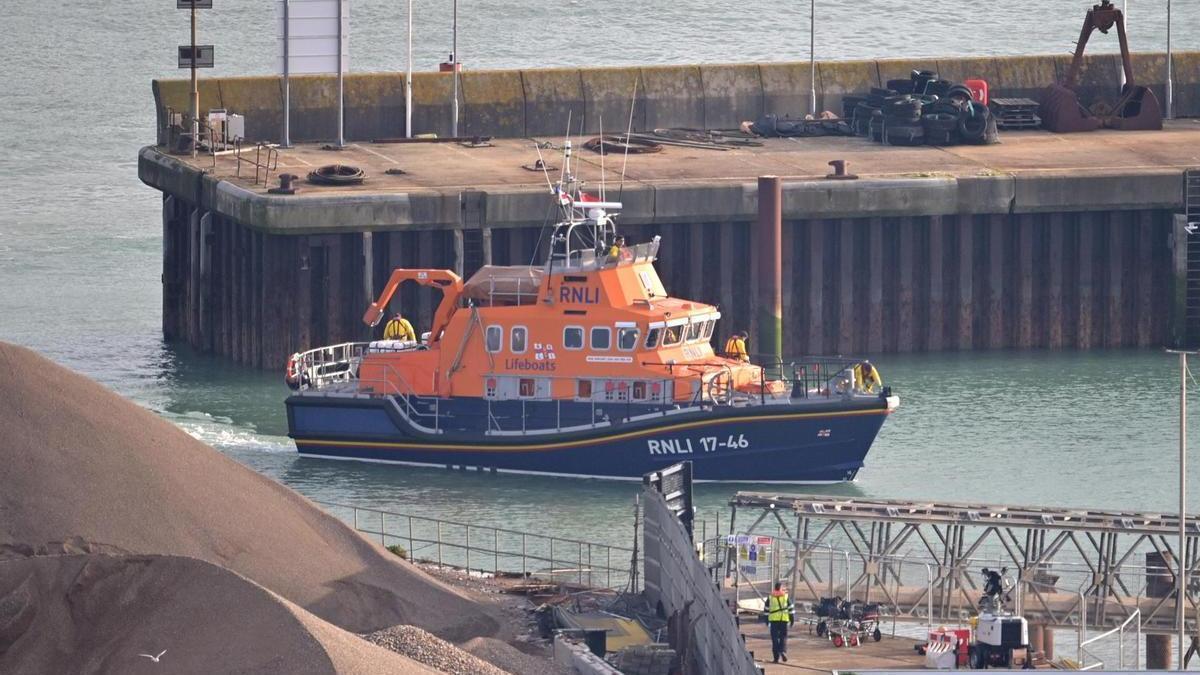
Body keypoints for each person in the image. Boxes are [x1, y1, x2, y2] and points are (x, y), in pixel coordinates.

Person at [764, 581, 793, 663]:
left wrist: (766, 620)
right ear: (780, 588)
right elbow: (791, 609)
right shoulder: (785, 597)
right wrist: (792, 619)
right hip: (783, 620)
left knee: (774, 638)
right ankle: (782, 651)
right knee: (783, 637)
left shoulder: (770, 597)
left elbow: (766, 610)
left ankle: (776, 658)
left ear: (775, 588)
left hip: (773, 621)